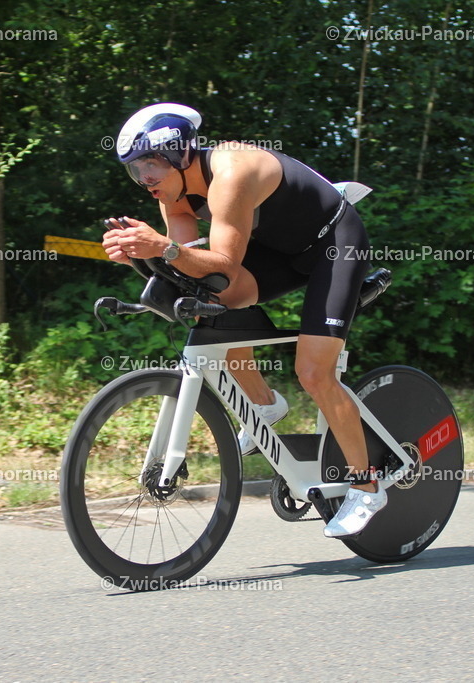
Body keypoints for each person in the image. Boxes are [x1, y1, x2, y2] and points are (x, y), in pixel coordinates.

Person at [101, 102, 385, 538]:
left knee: (313, 372)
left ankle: (367, 487)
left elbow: (224, 265)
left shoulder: (230, 173)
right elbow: (193, 274)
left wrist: (161, 248)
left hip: (335, 245)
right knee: (212, 303)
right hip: (282, 250)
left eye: (150, 165)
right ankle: (266, 404)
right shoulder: (172, 198)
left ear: (179, 154)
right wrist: (140, 257)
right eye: (135, 172)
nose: (145, 180)